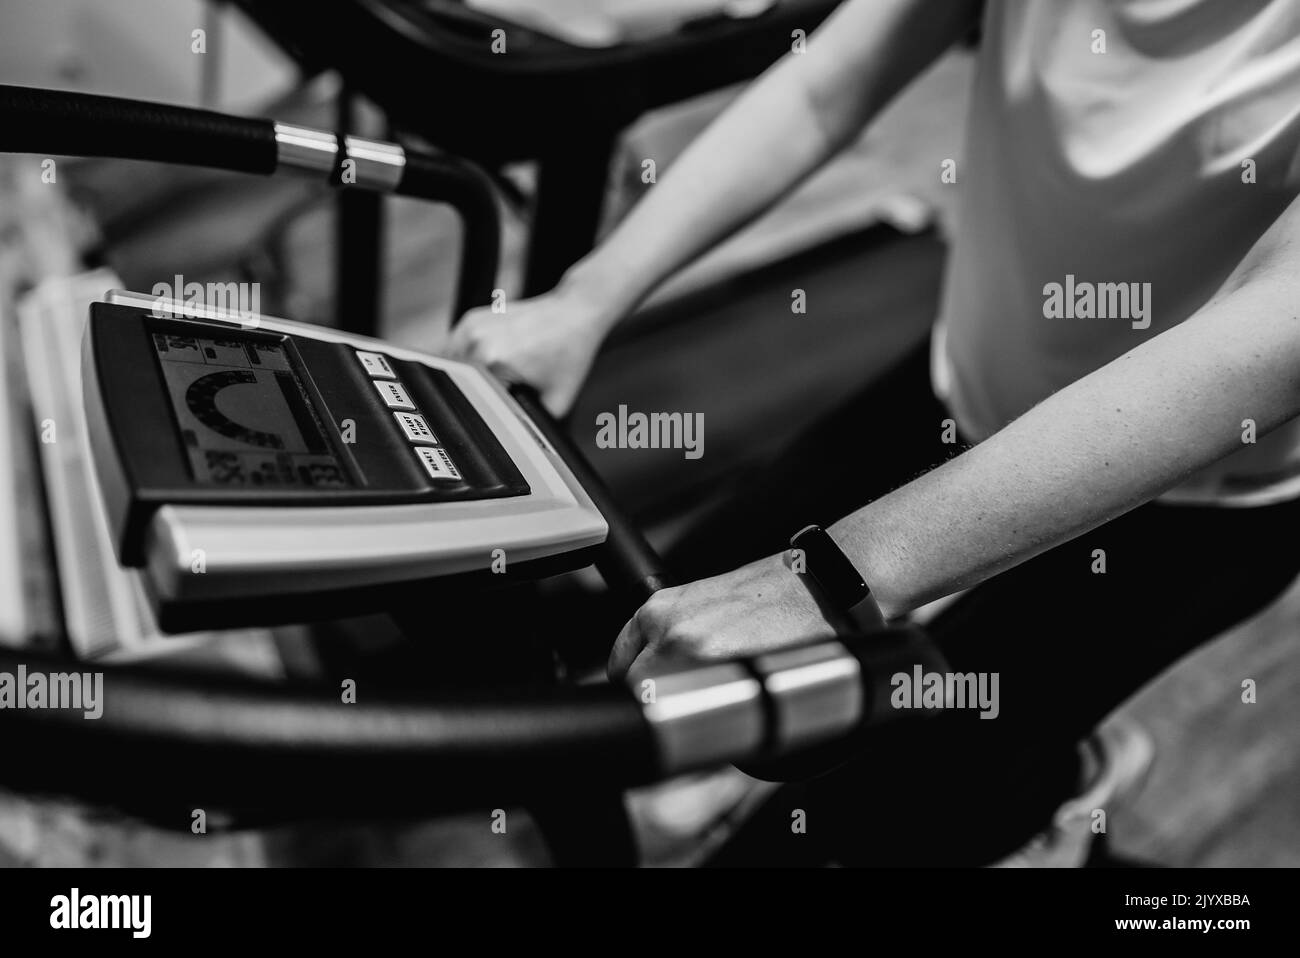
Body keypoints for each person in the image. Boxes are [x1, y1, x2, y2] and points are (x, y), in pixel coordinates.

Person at [447, 0, 1300, 864]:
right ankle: (1041, 764)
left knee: (860, 819)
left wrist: (829, 581)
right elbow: (826, 85)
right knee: (667, 611)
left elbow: (1276, 330)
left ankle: (1050, 797)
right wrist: (584, 302)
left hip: (1201, 496)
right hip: (967, 376)